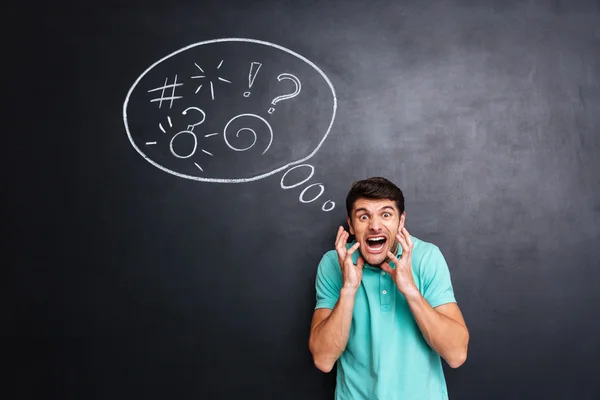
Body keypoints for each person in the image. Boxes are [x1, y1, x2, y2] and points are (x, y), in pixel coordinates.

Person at [308, 177, 469, 400]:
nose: (375, 225)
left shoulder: (427, 257)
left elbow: (456, 355)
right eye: (364, 216)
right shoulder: (333, 262)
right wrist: (348, 289)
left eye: (386, 214)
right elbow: (323, 360)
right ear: (351, 225)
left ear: (401, 222)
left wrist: (411, 291)